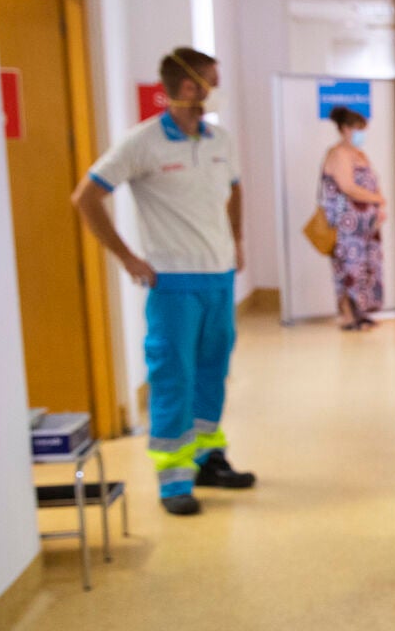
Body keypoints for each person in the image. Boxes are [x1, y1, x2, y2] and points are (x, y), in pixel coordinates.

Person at [71, 47, 257, 516]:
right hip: (173, 281)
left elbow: (235, 189)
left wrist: (236, 240)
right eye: (214, 80)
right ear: (190, 86)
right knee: (174, 375)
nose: (219, 89)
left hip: (218, 278)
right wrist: (126, 257)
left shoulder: (220, 140)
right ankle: (174, 479)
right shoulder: (143, 142)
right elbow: (86, 197)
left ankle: (208, 458)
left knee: (213, 371)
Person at [319, 106, 387, 330]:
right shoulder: (337, 153)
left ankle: (362, 312)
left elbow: (373, 183)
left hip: (367, 224)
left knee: (367, 267)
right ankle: (349, 316)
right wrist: (377, 198)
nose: (361, 134)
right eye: (358, 129)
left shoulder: (360, 154)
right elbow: (347, 187)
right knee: (349, 267)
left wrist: (379, 205)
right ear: (345, 129)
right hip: (346, 224)